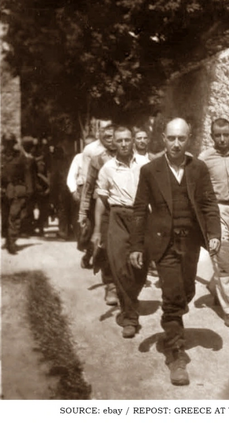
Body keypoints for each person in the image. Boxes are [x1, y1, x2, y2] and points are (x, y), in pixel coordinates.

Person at [130, 118, 221, 386]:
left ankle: (172, 318)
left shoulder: (198, 168)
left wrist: (214, 234)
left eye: (182, 138)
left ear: (189, 139)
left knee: (186, 292)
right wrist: (136, 245)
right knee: (172, 296)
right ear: (163, 138)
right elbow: (139, 209)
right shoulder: (150, 170)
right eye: (171, 138)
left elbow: (209, 204)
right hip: (164, 244)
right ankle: (175, 353)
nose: (176, 144)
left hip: (190, 242)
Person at [94, 126, 149, 337]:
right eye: (120, 141)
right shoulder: (107, 169)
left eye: (127, 140)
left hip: (141, 218)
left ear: (133, 140)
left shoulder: (145, 164)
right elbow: (101, 200)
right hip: (117, 217)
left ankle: (129, 301)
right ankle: (129, 318)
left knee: (140, 269)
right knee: (119, 266)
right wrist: (97, 230)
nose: (124, 144)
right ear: (114, 143)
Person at [199, 118, 229, 327]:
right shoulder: (204, 159)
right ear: (212, 136)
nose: (222, 139)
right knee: (223, 258)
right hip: (216, 211)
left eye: (226, 135)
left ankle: (215, 287)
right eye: (218, 135)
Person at [78, 124, 117, 305]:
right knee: (105, 246)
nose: (111, 140)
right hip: (102, 207)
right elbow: (88, 187)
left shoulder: (130, 157)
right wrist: (83, 212)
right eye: (106, 136)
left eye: (113, 136)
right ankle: (110, 285)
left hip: (125, 207)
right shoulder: (97, 160)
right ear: (101, 138)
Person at [0, 134, 36, 254]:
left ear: (13, 144)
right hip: (3, 190)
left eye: (10, 143)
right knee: (5, 216)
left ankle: (12, 242)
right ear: (3, 144)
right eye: (6, 143)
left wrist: (29, 189)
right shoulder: (0, 156)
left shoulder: (20, 156)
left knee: (14, 216)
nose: (8, 146)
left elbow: (27, 173)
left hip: (17, 189)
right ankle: (7, 239)